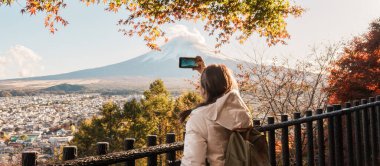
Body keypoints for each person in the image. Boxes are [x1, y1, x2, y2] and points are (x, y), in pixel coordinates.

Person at [180, 56, 253, 166]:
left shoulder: (199, 119)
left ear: (203, 89)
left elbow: (193, 162)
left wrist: (206, 76)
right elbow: (230, 93)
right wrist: (206, 73)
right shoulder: (242, 112)